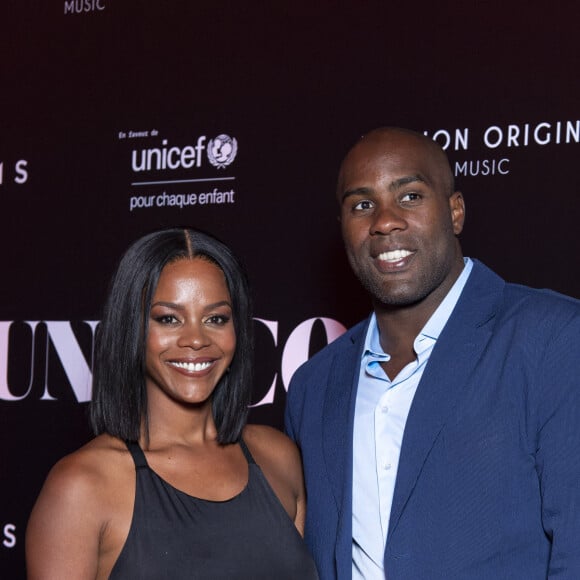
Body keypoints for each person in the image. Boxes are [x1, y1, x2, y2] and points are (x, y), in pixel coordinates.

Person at [285, 127, 580, 579]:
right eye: (362, 205)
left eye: (409, 196)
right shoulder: (313, 386)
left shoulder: (552, 338)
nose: (384, 221)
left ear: (455, 211)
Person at [26, 228, 319, 580]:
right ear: (131, 327)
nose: (195, 339)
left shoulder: (278, 458)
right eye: (168, 318)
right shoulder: (81, 487)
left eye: (216, 319)